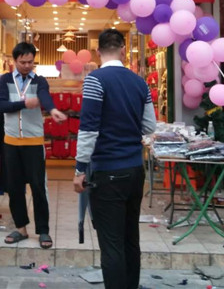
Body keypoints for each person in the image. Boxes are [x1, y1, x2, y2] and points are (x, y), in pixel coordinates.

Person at [73, 29, 157, 289]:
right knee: (130, 238)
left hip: (107, 171)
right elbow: (149, 127)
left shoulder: (95, 80)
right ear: (123, 49)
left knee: (111, 244)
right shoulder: (140, 83)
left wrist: (79, 169)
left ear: (98, 51)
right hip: (134, 170)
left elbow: (88, 130)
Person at [0, 42, 67, 249]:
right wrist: (24, 103)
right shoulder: (5, 80)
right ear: (14, 61)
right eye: (23, 62)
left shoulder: (39, 81)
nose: (27, 66)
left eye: (30, 62)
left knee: (38, 187)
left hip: (34, 143)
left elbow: (44, 96)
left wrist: (52, 109)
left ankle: (43, 230)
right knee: (15, 188)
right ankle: (21, 228)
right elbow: (1, 106)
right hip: (11, 142)